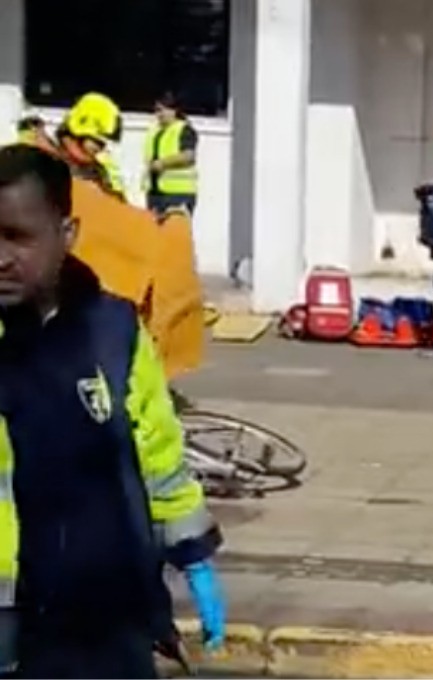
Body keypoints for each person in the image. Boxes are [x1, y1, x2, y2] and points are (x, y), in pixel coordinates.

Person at [0, 145, 224, 677]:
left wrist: (191, 554)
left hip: (112, 615)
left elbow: (158, 456)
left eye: (18, 237)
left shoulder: (115, 332)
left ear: (68, 234)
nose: (0, 256)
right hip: (14, 621)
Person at [52, 92, 127, 199]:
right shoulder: (50, 165)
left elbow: (119, 206)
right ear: (78, 135)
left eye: (103, 144)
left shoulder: (100, 170)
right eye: (97, 142)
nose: (100, 148)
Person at [143, 92, 199, 217]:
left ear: (173, 110)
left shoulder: (184, 129)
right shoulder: (155, 131)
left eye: (162, 110)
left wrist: (162, 163)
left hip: (178, 195)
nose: (159, 114)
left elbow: (189, 156)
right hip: (155, 194)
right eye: (157, 110)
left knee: (175, 234)